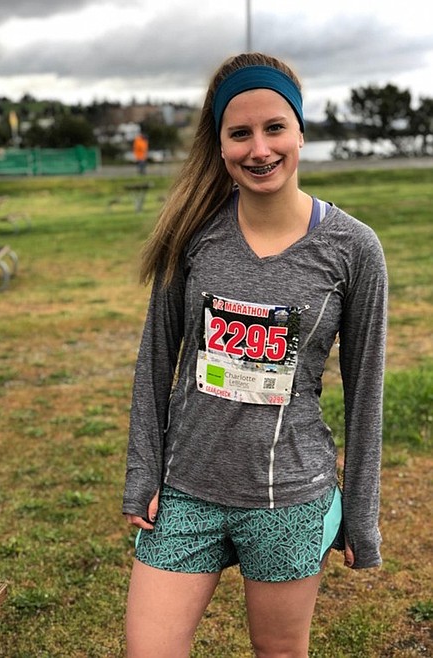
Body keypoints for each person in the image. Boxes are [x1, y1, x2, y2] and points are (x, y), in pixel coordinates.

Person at [123, 52, 387, 658]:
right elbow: (155, 360)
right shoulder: (193, 235)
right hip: (186, 489)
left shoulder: (353, 248)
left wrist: (362, 515)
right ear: (219, 145)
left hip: (290, 496)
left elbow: (365, 391)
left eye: (275, 128)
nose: (259, 148)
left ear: (300, 132)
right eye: (240, 133)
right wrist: (143, 473)